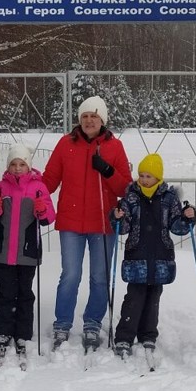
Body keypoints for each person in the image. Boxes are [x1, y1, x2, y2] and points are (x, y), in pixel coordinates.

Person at [43, 95, 132, 352]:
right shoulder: (64, 144)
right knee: (70, 275)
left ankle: (92, 322)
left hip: (103, 223)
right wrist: (30, 191)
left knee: (99, 278)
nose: (89, 120)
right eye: (85, 116)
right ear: (79, 119)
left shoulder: (114, 147)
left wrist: (107, 170)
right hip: (70, 222)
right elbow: (50, 180)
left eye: (94, 116)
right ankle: (62, 323)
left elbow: (125, 188)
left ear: (102, 119)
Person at [111, 154, 196, 357]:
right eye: (141, 175)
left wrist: (188, 218)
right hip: (137, 256)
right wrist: (116, 218)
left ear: (158, 178)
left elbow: (177, 227)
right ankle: (124, 337)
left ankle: (148, 335)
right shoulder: (131, 197)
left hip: (160, 257)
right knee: (134, 297)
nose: (144, 179)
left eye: (149, 176)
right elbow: (123, 228)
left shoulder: (169, 198)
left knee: (153, 298)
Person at [0, 143, 56, 363]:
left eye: (21, 164)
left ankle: (23, 332)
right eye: (13, 164)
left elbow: (48, 219)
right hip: (3, 251)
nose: (17, 168)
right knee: (5, 292)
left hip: (27, 252)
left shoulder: (38, 188)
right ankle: (3, 330)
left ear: (29, 166)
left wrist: (42, 209)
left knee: (25, 293)